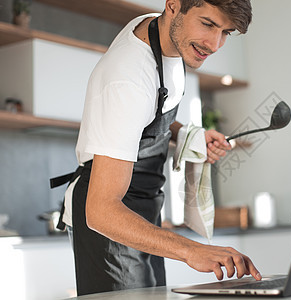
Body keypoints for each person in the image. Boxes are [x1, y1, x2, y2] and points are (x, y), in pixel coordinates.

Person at [51, 0, 261, 296]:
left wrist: (187, 134)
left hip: (142, 210)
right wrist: (191, 251)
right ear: (173, 5)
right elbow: (100, 211)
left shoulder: (163, 34)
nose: (214, 44)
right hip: (110, 216)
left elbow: (144, 113)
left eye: (226, 32)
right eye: (208, 24)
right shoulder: (128, 77)